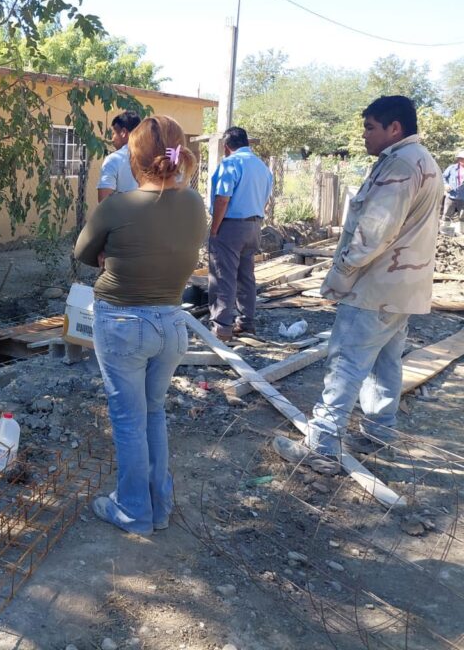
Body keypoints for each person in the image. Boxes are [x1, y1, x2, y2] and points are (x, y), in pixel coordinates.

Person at [274, 96, 441, 473]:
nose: (364, 136)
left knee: (346, 364)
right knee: (385, 363)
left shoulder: (400, 164)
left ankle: (322, 447)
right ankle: (378, 434)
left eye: (370, 127)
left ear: (394, 128)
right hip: (402, 289)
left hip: (375, 287)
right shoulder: (422, 160)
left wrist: (341, 274)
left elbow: (374, 232)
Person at [74, 115, 207, 536]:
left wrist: (111, 253)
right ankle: (159, 506)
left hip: (123, 324)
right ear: (177, 153)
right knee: (153, 412)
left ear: (135, 159)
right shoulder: (194, 203)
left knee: (129, 419)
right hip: (172, 323)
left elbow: (83, 252)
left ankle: (132, 511)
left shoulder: (118, 206)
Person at [207, 126, 274, 341]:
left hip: (230, 226)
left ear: (226, 146)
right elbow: (265, 199)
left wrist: (214, 229)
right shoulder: (262, 167)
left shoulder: (230, 163)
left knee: (223, 276)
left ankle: (221, 327)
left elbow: (222, 199)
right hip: (254, 226)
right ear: (247, 143)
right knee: (246, 276)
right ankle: (246, 323)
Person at [97, 110, 141, 202]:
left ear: (123, 132)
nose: (112, 139)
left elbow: (104, 201)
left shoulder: (113, 159)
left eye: (113, 133)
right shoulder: (152, 157)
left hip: (122, 211)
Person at [442, 149, 464, 222]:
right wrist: (446, 185)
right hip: (451, 196)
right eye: (461, 159)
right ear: (458, 159)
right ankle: (445, 228)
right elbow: (443, 177)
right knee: (446, 216)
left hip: (463, 198)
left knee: (462, 217)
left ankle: (461, 228)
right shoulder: (452, 168)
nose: (462, 160)